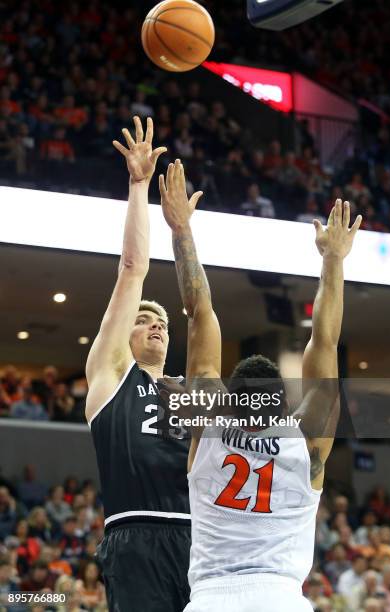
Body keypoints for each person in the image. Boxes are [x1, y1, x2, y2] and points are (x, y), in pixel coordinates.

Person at [160, 179, 361, 611]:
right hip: (281, 598)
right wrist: (333, 259)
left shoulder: (208, 422)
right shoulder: (307, 440)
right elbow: (324, 342)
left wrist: (180, 228)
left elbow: (199, 313)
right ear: (286, 405)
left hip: (212, 597)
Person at [85, 117, 192, 612]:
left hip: (201, 540)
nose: (155, 326)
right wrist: (139, 184)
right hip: (136, 537)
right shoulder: (112, 378)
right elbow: (133, 269)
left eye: (162, 324)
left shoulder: (189, 393)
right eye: (144, 320)